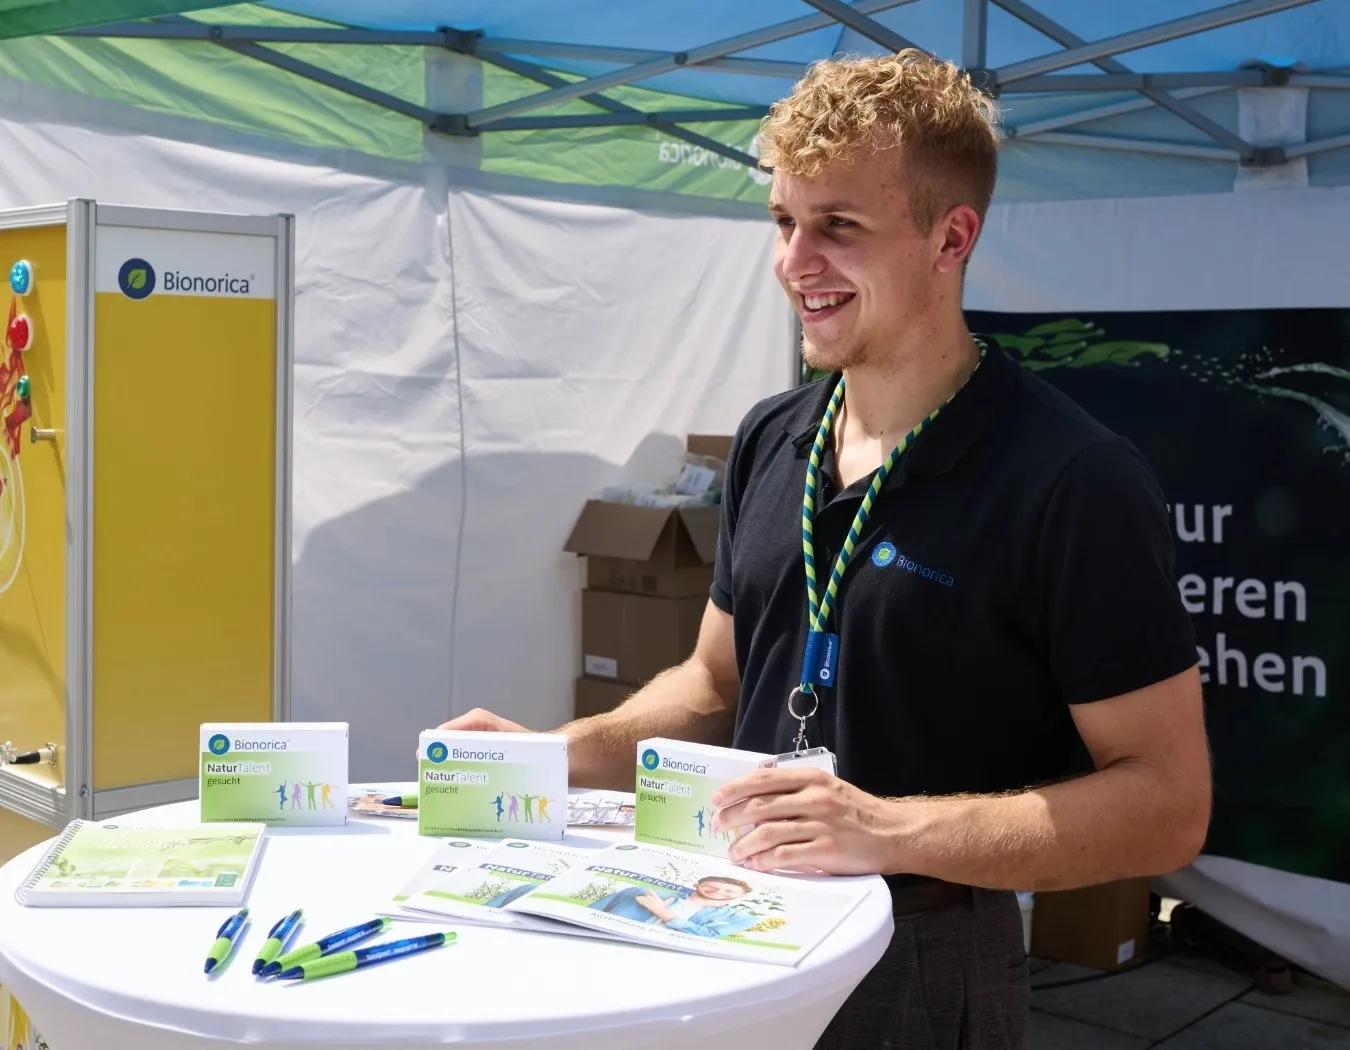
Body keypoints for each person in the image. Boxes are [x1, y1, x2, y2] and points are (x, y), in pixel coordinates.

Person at [440, 48, 1211, 1049]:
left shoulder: (1072, 479)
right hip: (725, 918)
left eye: (839, 227)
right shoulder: (774, 436)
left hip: (917, 956)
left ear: (951, 238)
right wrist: (557, 756)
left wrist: (885, 831)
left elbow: (1167, 805)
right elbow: (712, 683)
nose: (795, 262)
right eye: (784, 223)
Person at [590, 875, 760, 939]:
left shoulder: (740, 917)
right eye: (712, 887)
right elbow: (590, 912)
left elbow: (709, 936)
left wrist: (662, 912)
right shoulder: (641, 892)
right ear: (696, 885)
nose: (718, 892)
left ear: (742, 896)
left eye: (728, 890)